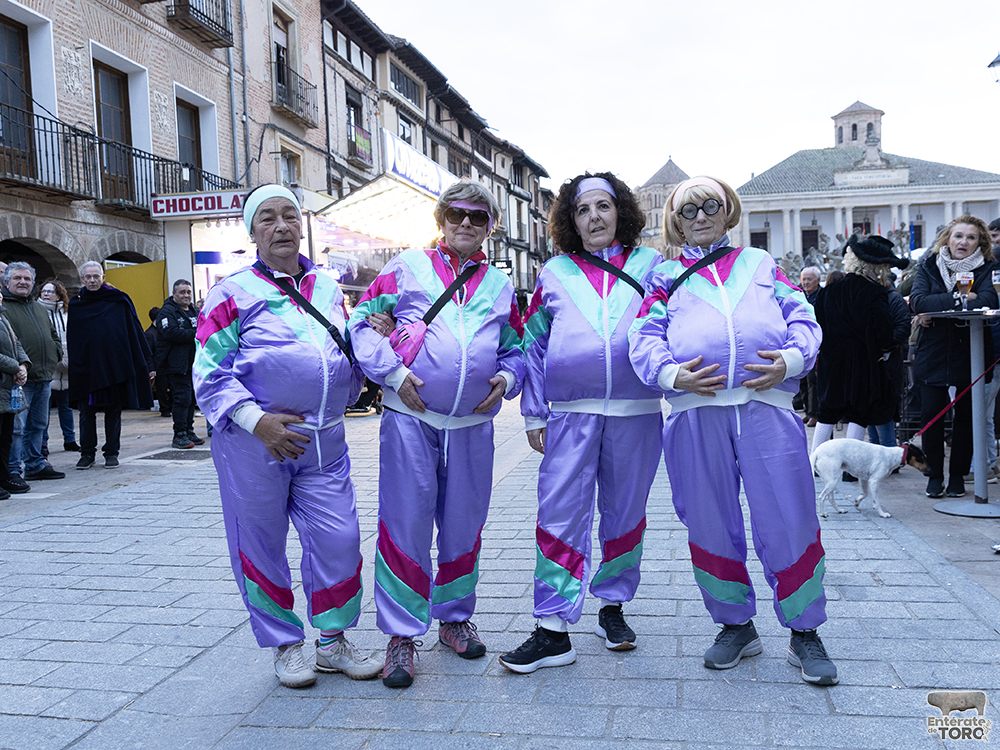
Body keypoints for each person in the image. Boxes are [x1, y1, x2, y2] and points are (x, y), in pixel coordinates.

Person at [629, 175, 838, 686]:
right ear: (674, 222)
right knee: (708, 520)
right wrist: (668, 373)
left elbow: (804, 320)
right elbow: (643, 332)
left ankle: (805, 631)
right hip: (695, 414)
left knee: (789, 517)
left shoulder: (761, 265)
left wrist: (790, 360)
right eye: (688, 210)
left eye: (711, 205)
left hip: (766, 409)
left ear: (729, 212)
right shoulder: (662, 277)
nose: (700, 216)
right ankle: (735, 624)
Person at [194, 184, 381, 689]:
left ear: (302, 225)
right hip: (256, 445)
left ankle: (332, 641)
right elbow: (209, 373)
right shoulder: (228, 293)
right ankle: (285, 643)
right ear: (253, 232)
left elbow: (342, 348)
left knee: (340, 541)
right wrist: (258, 422)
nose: (281, 226)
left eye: (289, 216)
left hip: (325, 443)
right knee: (261, 546)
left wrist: (369, 347)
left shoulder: (326, 288)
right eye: (268, 219)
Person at [348, 179, 525, 689]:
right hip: (412, 423)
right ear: (440, 219)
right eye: (456, 213)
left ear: (491, 226)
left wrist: (508, 378)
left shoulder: (499, 285)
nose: (466, 223)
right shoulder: (406, 267)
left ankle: (453, 619)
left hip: (472, 427)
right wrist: (395, 375)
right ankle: (402, 636)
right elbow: (361, 324)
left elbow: (515, 346)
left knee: (464, 527)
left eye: (478, 216)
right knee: (405, 525)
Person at [498, 173, 663, 675]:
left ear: (621, 212)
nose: (594, 216)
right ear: (570, 220)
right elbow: (534, 345)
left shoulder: (650, 265)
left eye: (603, 206)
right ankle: (553, 628)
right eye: (582, 209)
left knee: (625, 515)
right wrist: (533, 411)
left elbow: (672, 325)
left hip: (636, 415)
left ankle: (612, 607)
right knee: (559, 516)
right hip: (571, 417)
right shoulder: (554, 272)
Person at [909, 215, 999, 498]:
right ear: (947, 238)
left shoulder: (988, 268)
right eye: (958, 236)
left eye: (971, 237)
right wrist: (962, 299)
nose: (964, 242)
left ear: (980, 242)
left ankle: (958, 476)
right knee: (932, 418)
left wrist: (937, 309)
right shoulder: (928, 266)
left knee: (967, 421)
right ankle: (934, 475)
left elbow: (988, 301)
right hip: (933, 353)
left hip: (970, 351)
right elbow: (919, 301)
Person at [810, 235, 908, 453]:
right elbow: (883, 334)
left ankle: (814, 461)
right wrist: (885, 348)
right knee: (858, 413)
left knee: (827, 410)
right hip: (862, 362)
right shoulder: (875, 293)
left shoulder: (828, 291)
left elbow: (819, 325)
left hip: (831, 359)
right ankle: (848, 466)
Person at [67, 262, 154, 470]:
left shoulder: (118, 300)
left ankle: (111, 452)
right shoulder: (76, 304)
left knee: (113, 411)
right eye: (88, 277)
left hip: (113, 367)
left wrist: (142, 363)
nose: (92, 280)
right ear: (82, 279)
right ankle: (87, 453)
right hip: (86, 368)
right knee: (86, 413)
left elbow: (132, 333)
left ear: (103, 277)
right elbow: (73, 339)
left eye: (96, 276)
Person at [3, 262, 64, 482]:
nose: (23, 282)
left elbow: (53, 334)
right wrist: (18, 367)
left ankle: (35, 464)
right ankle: (12, 469)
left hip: (43, 377)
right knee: (17, 428)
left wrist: (55, 352)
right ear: (7, 281)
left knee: (38, 425)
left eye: (27, 279)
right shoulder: (4, 308)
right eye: (18, 278)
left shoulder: (39, 307)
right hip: (18, 380)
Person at [157, 280, 204, 449]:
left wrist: (194, 333)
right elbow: (170, 332)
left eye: (188, 292)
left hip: (194, 363)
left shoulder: (194, 311)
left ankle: (189, 431)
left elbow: (205, 328)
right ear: (174, 294)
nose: (186, 295)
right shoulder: (167, 311)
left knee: (191, 398)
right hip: (176, 363)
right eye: (182, 292)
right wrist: (196, 333)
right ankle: (179, 434)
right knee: (181, 398)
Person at [38, 280, 79, 454]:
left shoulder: (67, 314)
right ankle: (42, 443)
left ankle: (70, 440)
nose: (46, 294)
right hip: (48, 368)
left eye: (50, 291)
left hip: (67, 368)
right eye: (43, 291)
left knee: (66, 406)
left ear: (59, 294)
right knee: (43, 409)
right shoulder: (38, 313)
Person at [0, 287, 29, 498]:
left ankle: (4, 477)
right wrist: (15, 367)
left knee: (5, 436)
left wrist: (23, 365)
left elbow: (16, 343)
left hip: (7, 388)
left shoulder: (3, 317)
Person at [796, 267, 821, 427]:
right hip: (801, 342)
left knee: (813, 380)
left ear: (817, 280)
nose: (805, 283)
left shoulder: (822, 295)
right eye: (803, 279)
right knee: (802, 379)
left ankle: (814, 413)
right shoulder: (798, 295)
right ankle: (806, 410)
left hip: (816, 343)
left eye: (809, 279)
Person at [145, 307, 172, 417]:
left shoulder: (162, 331)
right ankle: (165, 409)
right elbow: (148, 353)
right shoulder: (150, 334)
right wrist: (151, 369)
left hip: (167, 364)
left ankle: (169, 408)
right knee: (162, 388)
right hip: (158, 366)